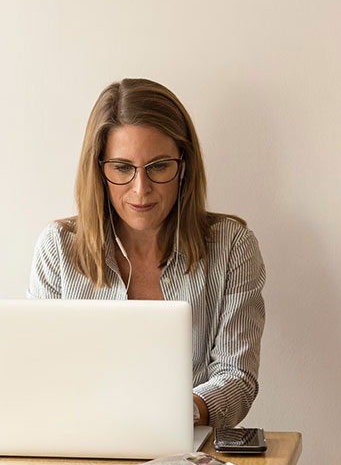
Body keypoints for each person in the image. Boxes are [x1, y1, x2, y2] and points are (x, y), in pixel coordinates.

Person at [26, 78, 266, 429]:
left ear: (183, 166)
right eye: (122, 168)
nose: (141, 189)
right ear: (99, 170)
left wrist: (176, 414)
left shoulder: (232, 246)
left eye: (158, 166)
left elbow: (237, 378)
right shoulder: (58, 248)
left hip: (187, 451)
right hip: (80, 446)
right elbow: (39, 374)